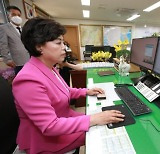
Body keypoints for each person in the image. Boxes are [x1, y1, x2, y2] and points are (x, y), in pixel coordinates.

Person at [12, 17, 125, 154]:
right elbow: (50, 126)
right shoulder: (27, 80)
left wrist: (86, 91)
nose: (64, 48)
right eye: (58, 43)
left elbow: (61, 91)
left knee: (106, 122)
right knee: (106, 132)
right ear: (39, 46)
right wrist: (93, 119)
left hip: (64, 122)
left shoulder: (49, 68)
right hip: (46, 140)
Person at [0, 6, 29, 75]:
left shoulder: (23, 28)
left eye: (18, 15)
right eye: (13, 14)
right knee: (22, 81)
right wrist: (7, 59)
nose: (17, 17)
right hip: (18, 62)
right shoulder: (3, 28)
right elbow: (3, 45)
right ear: (8, 16)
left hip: (29, 59)